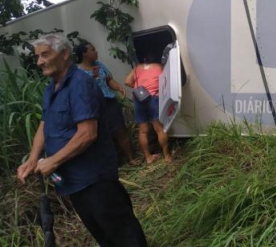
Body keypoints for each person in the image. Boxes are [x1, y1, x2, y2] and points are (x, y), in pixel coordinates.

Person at [16, 34, 147, 246]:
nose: (39, 61)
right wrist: (33, 159)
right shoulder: (52, 87)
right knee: (102, 234)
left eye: (45, 55)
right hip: (73, 181)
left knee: (122, 233)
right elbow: (44, 124)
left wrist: (53, 161)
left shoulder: (80, 84)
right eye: (38, 56)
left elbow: (87, 134)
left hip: (94, 179)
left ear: (65, 53)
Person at [75, 42, 137, 165]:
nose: (96, 51)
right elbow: (79, 90)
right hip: (93, 106)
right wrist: (93, 77)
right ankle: (113, 162)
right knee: (102, 135)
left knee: (120, 130)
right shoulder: (77, 71)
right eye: (92, 49)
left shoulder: (99, 64)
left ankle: (131, 158)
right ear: (84, 54)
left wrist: (118, 87)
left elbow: (108, 80)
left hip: (109, 102)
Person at [125, 52, 171, 164]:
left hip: (138, 99)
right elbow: (166, 81)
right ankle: (167, 156)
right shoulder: (160, 66)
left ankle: (148, 158)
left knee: (143, 131)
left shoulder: (137, 68)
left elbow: (127, 81)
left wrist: (140, 88)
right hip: (153, 98)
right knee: (159, 129)